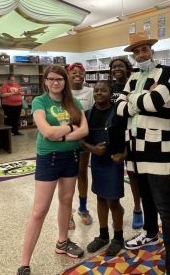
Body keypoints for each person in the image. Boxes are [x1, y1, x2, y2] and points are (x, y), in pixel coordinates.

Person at [116, 33, 170, 274]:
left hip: (158, 147)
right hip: (134, 147)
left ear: (152, 50)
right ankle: (150, 233)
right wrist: (140, 99)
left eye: (144, 49)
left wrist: (133, 100)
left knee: (165, 204)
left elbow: (155, 102)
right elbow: (120, 107)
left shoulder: (167, 73)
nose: (141, 54)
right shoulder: (133, 76)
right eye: (136, 52)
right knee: (145, 196)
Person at [18, 65, 88, 275]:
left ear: (65, 82)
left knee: (66, 201)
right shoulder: (40, 101)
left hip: (72, 157)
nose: (56, 82)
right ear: (45, 81)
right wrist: (69, 129)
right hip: (49, 158)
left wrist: (64, 136)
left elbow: (84, 129)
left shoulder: (73, 102)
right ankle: (24, 262)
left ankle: (62, 242)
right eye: (51, 79)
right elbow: (47, 132)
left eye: (60, 79)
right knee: (39, 210)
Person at [81, 80, 127, 256]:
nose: (99, 93)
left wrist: (124, 155)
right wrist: (92, 149)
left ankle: (118, 237)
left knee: (113, 200)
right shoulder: (87, 114)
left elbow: (129, 135)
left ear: (110, 93)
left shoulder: (119, 112)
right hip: (98, 162)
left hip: (114, 161)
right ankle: (103, 235)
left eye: (103, 90)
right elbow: (81, 139)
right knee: (100, 198)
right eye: (96, 90)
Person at [108, 56, 144, 229]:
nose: (117, 69)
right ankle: (115, 207)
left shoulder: (135, 84)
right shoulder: (109, 87)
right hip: (114, 135)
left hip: (132, 133)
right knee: (113, 172)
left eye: (120, 66)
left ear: (127, 68)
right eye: (114, 67)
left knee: (133, 174)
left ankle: (138, 209)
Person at [68, 62, 94, 228]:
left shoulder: (90, 92)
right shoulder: (64, 92)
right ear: (68, 74)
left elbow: (93, 115)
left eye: (81, 72)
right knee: (67, 177)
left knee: (82, 173)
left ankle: (83, 208)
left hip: (84, 140)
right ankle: (67, 212)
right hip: (66, 141)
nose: (77, 75)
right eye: (74, 72)